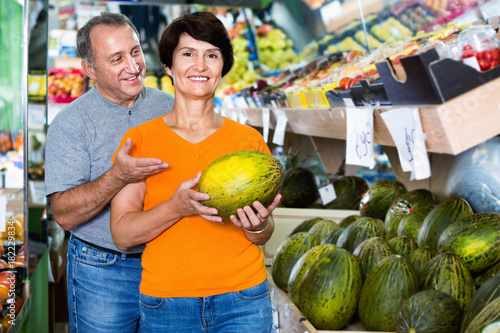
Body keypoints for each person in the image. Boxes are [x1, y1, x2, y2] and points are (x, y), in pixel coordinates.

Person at [109, 11, 280, 333]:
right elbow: (122, 234)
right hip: (166, 303)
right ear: (169, 68)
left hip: (243, 300)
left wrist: (258, 226)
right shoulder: (140, 142)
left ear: (222, 68)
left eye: (211, 55)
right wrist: (177, 207)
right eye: (188, 54)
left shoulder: (248, 140)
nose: (200, 66)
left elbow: (263, 234)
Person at [44, 12, 174, 333]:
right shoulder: (70, 124)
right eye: (117, 59)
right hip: (101, 272)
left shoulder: (172, 107)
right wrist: (118, 176)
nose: (133, 67)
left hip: (169, 262)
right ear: (90, 70)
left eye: (135, 52)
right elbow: (64, 214)